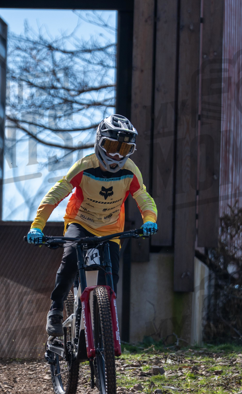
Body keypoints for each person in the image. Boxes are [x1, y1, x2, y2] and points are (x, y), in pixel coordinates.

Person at [27, 114, 158, 336]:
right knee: (69, 260)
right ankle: (56, 309)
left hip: (111, 229)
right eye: (111, 146)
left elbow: (144, 198)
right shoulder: (84, 166)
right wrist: (37, 226)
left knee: (111, 276)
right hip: (80, 222)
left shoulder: (130, 171)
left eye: (124, 149)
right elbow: (56, 194)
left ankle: (106, 327)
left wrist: (150, 220)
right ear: (99, 142)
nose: (116, 155)